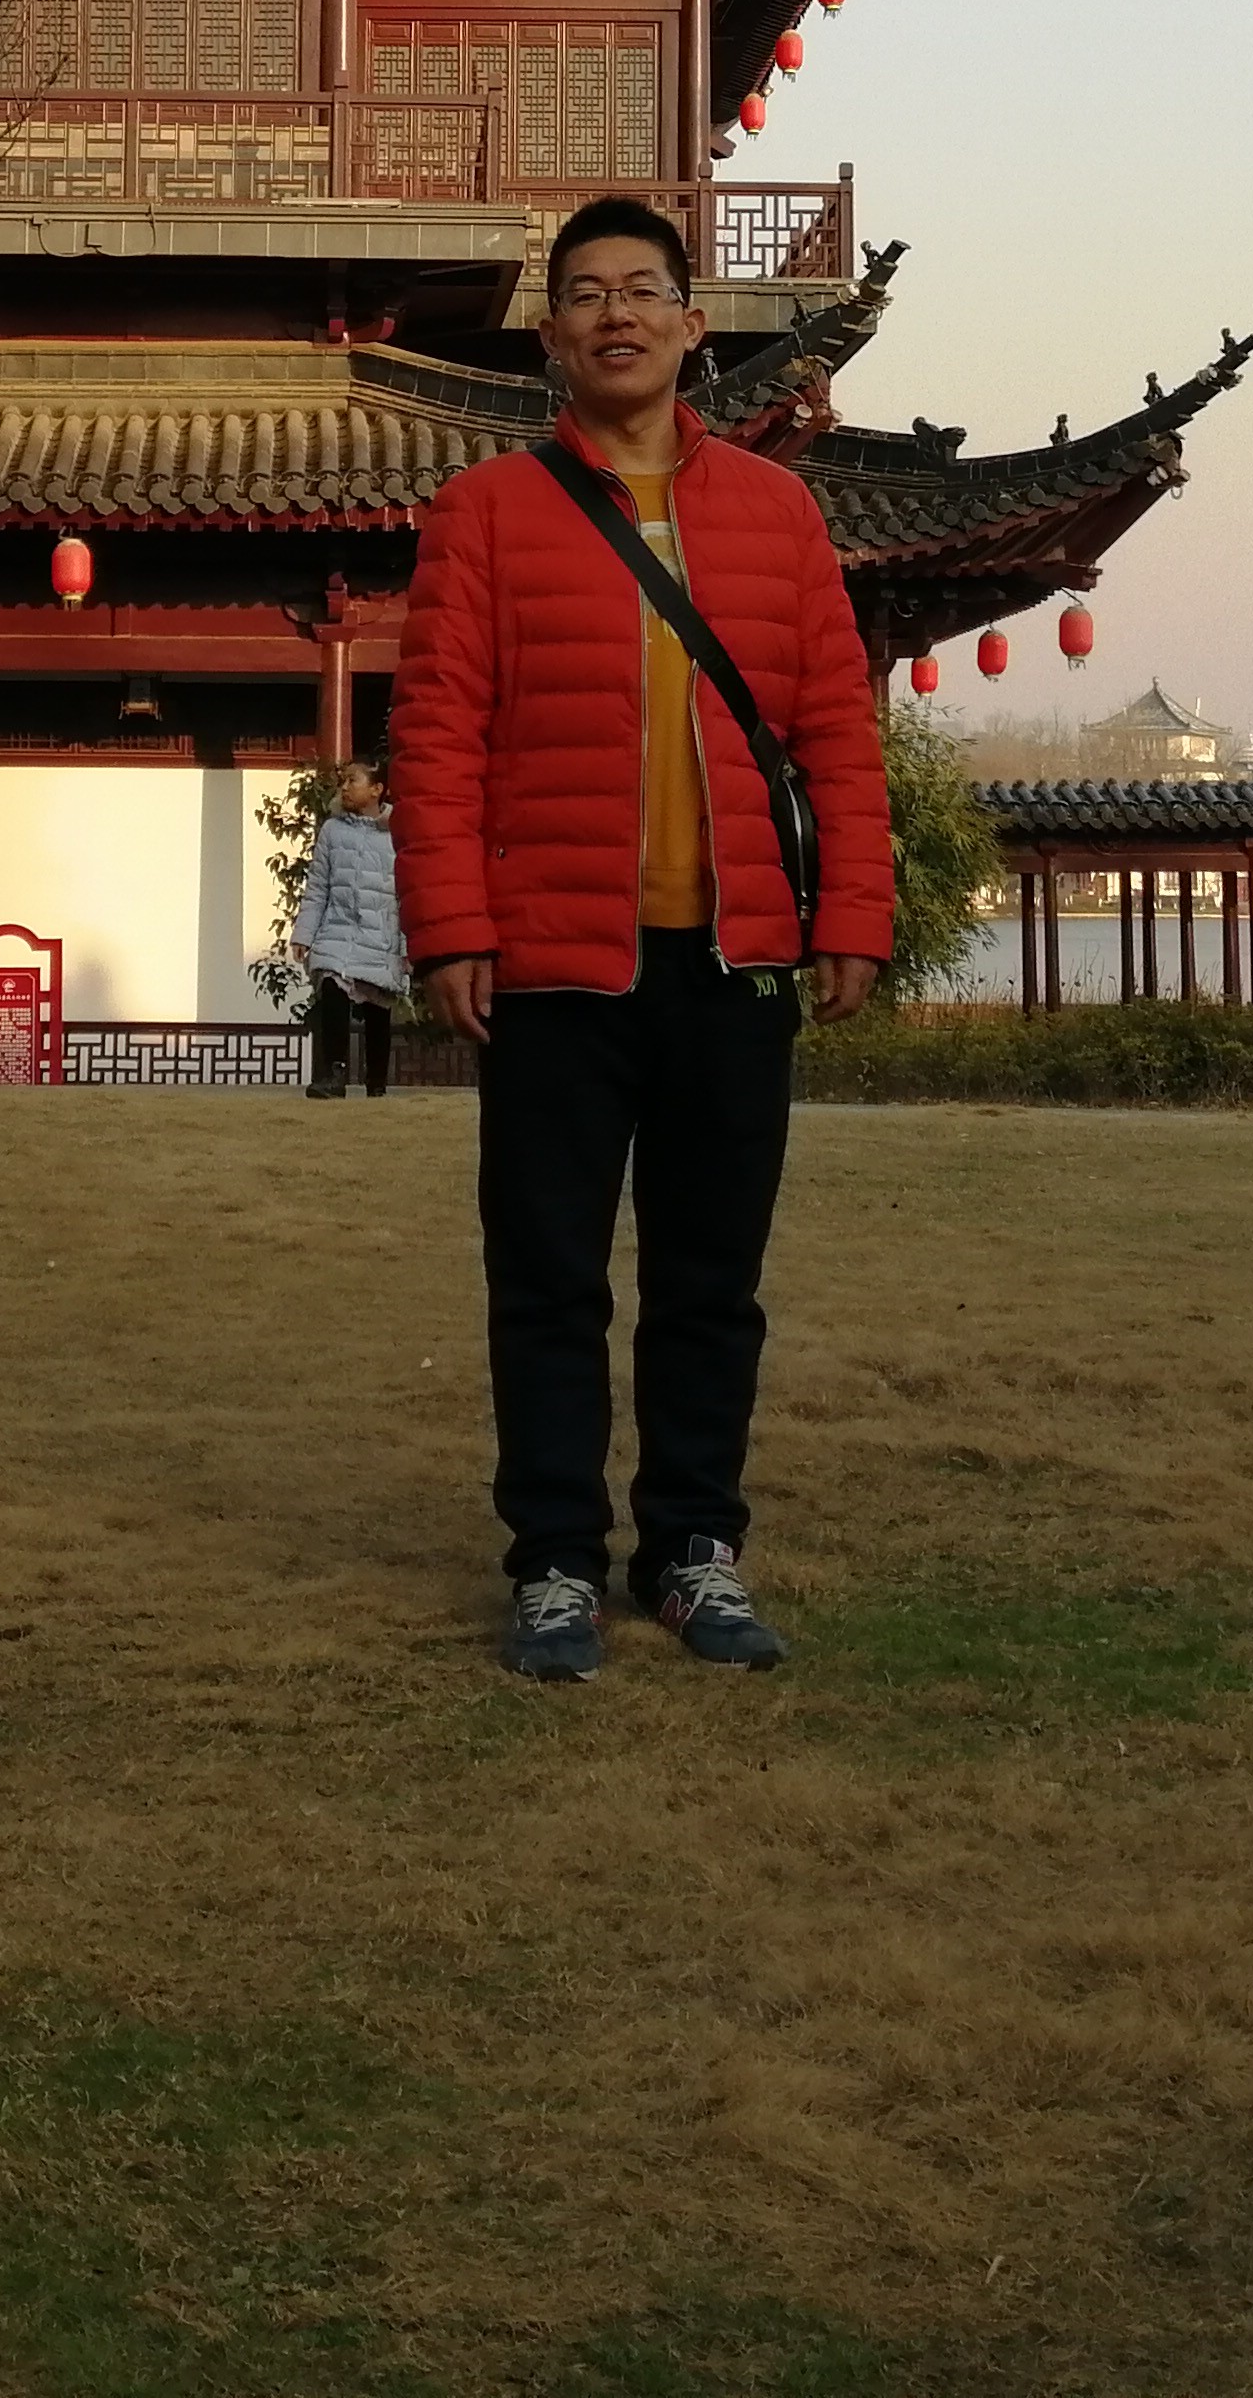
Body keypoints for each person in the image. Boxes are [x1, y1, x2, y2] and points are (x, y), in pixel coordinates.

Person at [396, 195, 893, 1680]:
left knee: (709, 1281)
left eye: (644, 291)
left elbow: (834, 735)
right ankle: (554, 1560)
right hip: (555, 962)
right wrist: (452, 926)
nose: (616, 315)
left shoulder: (776, 513)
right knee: (546, 1276)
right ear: (550, 337)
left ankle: (693, 1549)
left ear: (691, 324)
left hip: (734, 959)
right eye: (586, 295)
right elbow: (437, 735)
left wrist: (849, 909)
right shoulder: (489, 513)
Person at [294, 768, 405, 1097]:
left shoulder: (400, 832)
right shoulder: (331, 830)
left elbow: (408, 892)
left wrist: (408, 945)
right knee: (331, 986)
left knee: (377, 1008)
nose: (344, 788)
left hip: (382, 932)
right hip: (337, 928)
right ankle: (335, 1073)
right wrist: (304, 933)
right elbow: (317, 887)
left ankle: (377, 1084)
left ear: (376, 789)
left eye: (352, 781)